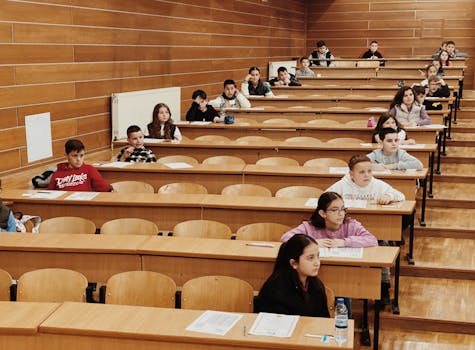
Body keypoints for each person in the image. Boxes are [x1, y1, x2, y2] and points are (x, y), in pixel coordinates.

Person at [254, 234, 330, 317]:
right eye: (310, 258)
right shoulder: (276, 288)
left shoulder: (316, 284)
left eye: (318, 256)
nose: (317, 263)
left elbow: (324, 318)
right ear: (294, 263)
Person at [282, 192, 378, 248]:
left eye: (343, 209)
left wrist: (344, 242)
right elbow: (285, 238)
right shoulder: (309, 227)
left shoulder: (351, 225)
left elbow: (372, 240)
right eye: (334, 210)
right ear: (322, 213)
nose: (341, 214)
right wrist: (311, 243)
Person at [326, 154, 405, 205]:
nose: (366, 175)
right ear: (351, 174)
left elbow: (401, 196)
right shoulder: (342, 185)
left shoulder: (378, 184)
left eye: (369, 171)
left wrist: (389, 196)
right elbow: (324, 198)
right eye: (361, 172)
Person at [48, 139, 112, 192]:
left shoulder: (89, 170)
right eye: (75, 156)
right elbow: (49, 195)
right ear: (66, 156)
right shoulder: (57, 174)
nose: (78, 159)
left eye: (81, 155)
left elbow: (106, 188)